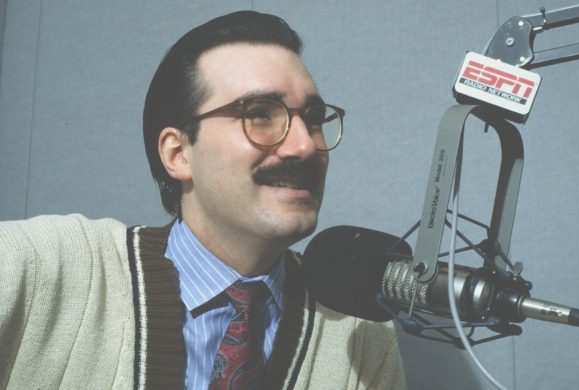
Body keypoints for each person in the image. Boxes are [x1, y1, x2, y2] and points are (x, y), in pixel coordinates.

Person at [0, 11, 406, 389]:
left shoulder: (363, 332)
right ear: (179, 154)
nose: (304, 145)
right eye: (261, 113)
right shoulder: (35, 269)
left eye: (313, 119)